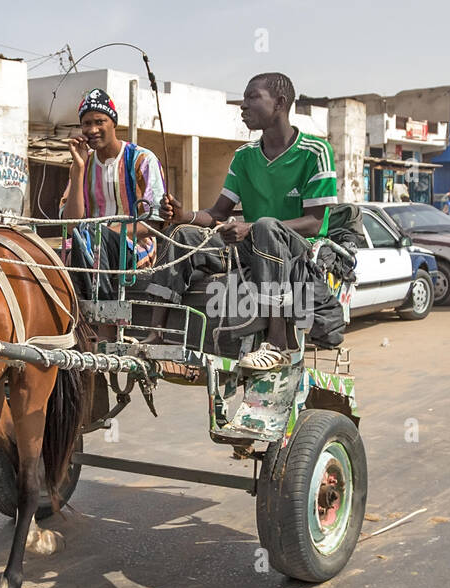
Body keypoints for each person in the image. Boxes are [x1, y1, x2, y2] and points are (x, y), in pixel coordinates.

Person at [156, 72, 340, 372]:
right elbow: (216, 214)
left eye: (252, 97)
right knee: (183, 235)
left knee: (267, 225)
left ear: (280, 103)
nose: (243, 106)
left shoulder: (315, 152)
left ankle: (278, 343)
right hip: (253, 248)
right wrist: (184, 215)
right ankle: (160, 334)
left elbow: (315, 223)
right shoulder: (244, 156)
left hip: (296, 252)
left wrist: (251, 228)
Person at [61, 88, 167, 300]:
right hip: (88, 245)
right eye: (87, 123)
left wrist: (102, 232)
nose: (92, 129)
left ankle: (105, 319)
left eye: (100, 121)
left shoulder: (142, 160)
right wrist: (79, 168)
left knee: (92, 238)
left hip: (134, 247)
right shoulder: (82, 164)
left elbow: (154, 223)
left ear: (113, 123)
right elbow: (71, 224)